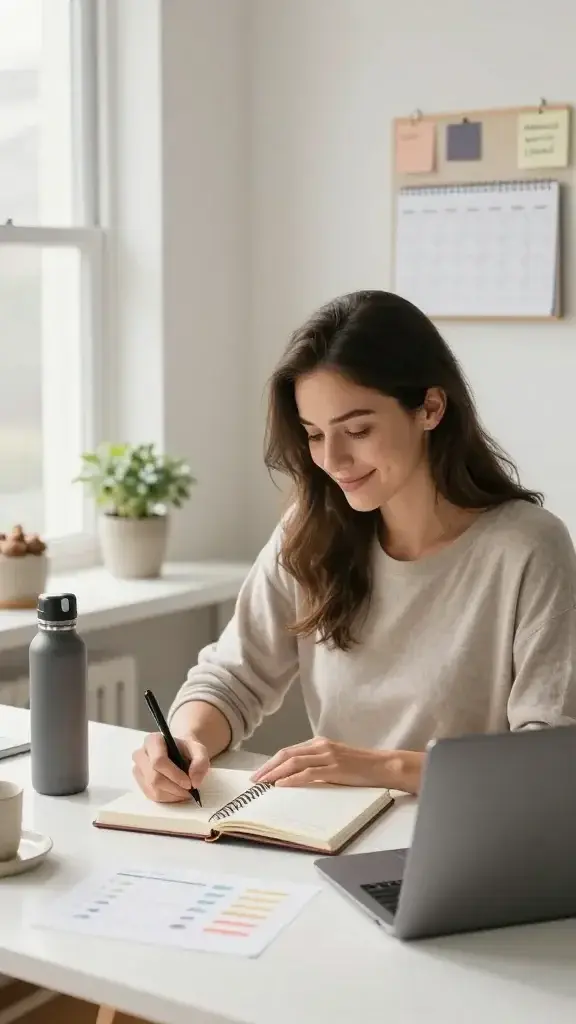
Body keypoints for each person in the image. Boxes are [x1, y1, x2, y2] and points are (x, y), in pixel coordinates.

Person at [133, 290, 576, 803]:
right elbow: (233, 678)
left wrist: (382, 766)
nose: (334, 459)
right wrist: (186, 740)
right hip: (333, 834)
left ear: (430, 408)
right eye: (315, 435)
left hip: (468, 841)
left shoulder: (529, 548)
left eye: (358, 429)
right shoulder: (313, 529)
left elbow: (550, 757)